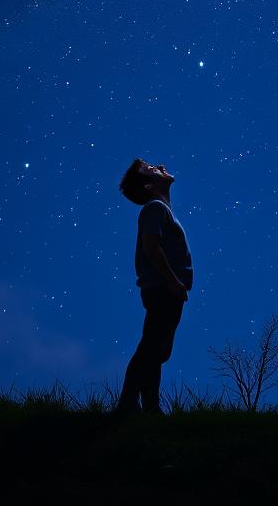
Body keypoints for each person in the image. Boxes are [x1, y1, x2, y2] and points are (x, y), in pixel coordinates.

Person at [115, 158, 194, 415]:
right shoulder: (154, 209)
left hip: (168, 289)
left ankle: (150, 407)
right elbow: (151, 246)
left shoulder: (161, 210)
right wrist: (173, 280)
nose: (159, 166)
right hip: (163, 289)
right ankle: (128, 403)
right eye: (151, 169)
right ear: (149, 185)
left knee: (158, 349)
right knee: (151, 346)